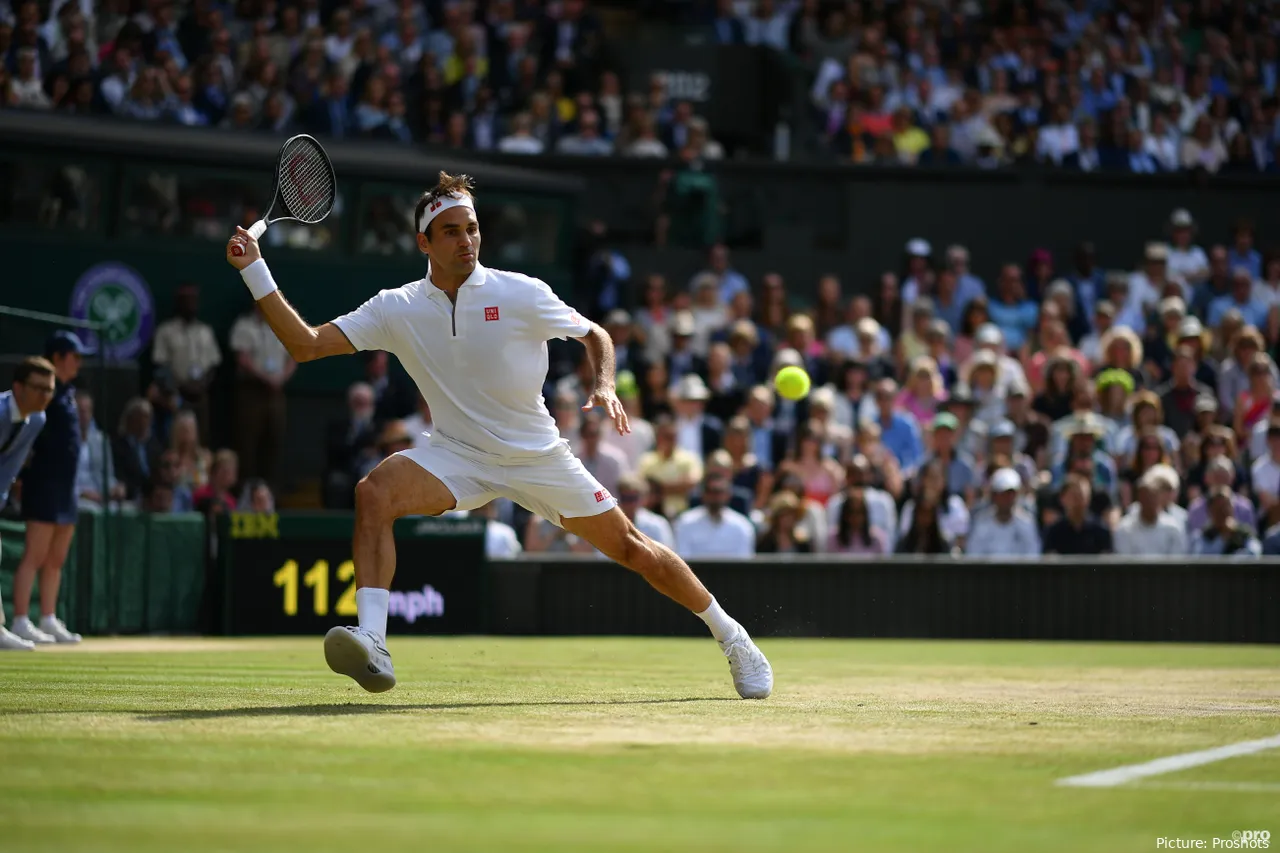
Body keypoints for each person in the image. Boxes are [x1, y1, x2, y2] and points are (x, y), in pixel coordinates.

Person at [225, 171, 772, 699]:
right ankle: (374, 641)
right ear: (424, 242)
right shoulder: (397, 308)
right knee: (374, 493)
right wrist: (255, 271)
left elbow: (596, 334)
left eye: (472, 228)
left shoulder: (521, 293)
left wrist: (604, 384)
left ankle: (733, 638)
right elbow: (306, 345)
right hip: (457, 455)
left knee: (634, 549)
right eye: (451, 231)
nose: (467, 240)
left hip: (538, 456)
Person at [10, 334, 86, 645]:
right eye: (75, 356)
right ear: (58, 357)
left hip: (67, 487)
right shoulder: (41, 395)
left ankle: (49, 618)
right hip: (43, 484)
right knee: (35, 554)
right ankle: (19, 619)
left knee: (56, 558)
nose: (79, 363)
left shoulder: (66, 393)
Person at [0, 358, 57, 650]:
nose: (45, 396)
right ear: (18, 388)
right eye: (38, 389)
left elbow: (10, 465)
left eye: (50, 390)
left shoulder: (38, 419)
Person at [673, 472, 756, 560]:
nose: (715, 496)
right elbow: (682, 562)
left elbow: (745, 564)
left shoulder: (742, 526)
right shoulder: (685, 523)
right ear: (703, 494)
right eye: (710, 491)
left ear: (728, 494)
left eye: (719, 492)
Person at [965, 468, 1041, 557]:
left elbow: (1033, 556)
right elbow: (973, 556)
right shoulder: (981, 523)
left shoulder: (1027, 524)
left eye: (1010, 494)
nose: (1007, 499)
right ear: (994, 496)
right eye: (1002, 494)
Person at [1114, 473, 1187, 556]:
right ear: (1139, 499)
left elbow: (1177, 562)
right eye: (1146, 497)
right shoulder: (1124, 529)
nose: (1150, 501)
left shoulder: (1173, 528)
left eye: (1153, 496)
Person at [1041, 475, 1113, 555]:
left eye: (1082, 497)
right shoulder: (1053, 532)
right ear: (1062, 499)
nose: (1078, 502)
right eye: (1074, 497)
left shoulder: (1101, 530)